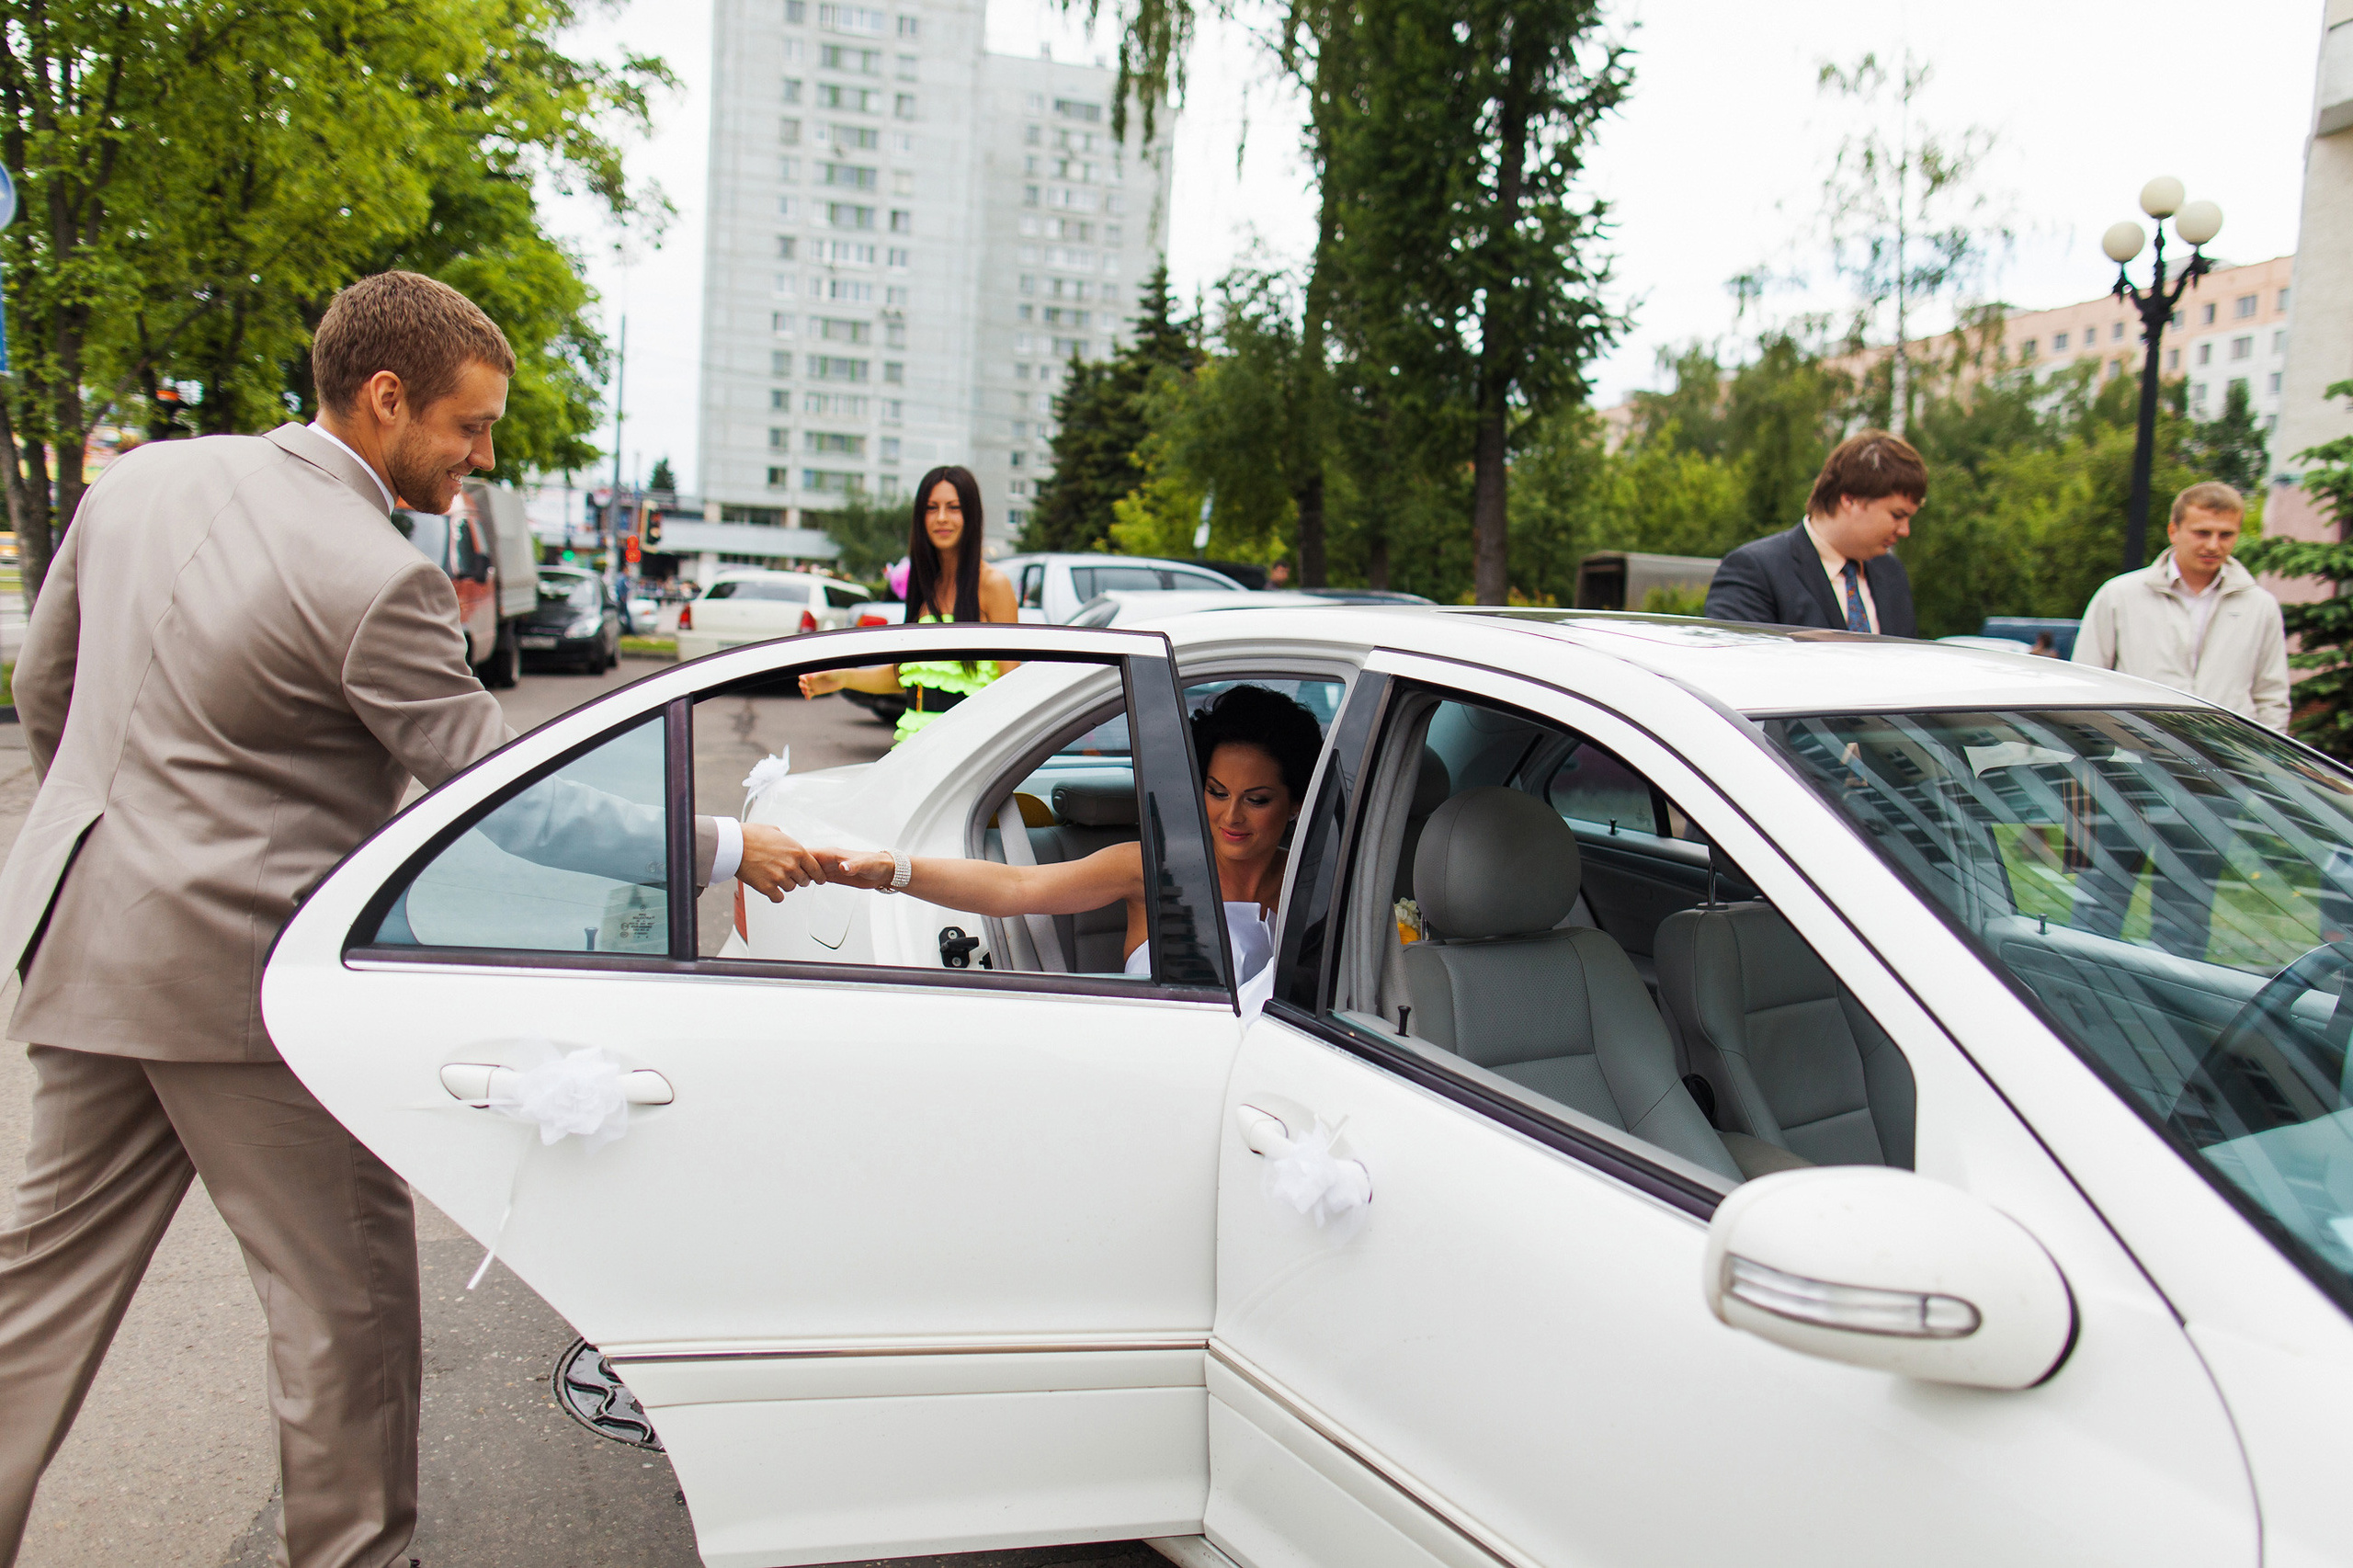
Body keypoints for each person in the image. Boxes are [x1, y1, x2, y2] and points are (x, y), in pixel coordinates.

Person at [0, 271, 821, 1568]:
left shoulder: (139, 484)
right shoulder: (372, 576)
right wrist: (725, 841)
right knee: (346, 1308)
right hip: (242, 995)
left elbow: (50, 694)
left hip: (82, 946)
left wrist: (114, 857)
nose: (481, 457)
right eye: (469, 426)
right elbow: (508, 803)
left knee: (33, 1299)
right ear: (386, 400)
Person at [816, 684, 1324, 988]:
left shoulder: (1318, 881)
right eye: (1216, 792)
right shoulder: (1150, 868)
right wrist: (893, 869)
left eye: (1256, 799)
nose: (1230, 815)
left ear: (1296, 801)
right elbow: (1015, 888)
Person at [799, 467, 1018, 743]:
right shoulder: (924, 585)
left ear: (970, 515)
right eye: (931, 508)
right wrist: (843, 678)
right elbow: (902, 675)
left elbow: (1011, 688)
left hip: (967, 749)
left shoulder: (992, 585)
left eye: (953, 508)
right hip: (914, 745)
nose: (941, 518)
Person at [2073, 481, 2290, 731]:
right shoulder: (2119, 596)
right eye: (2202, 533)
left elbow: (2272, 697)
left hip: (2229, 758)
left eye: (2226, 535)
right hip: (2137, 755)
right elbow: (2086, 684)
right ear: (2173, 531)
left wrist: (2260, 763)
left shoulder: (2259, 605)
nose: (2213, 545)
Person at [1703, 429, 1923, 637]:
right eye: (1897, 515)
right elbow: (1742, 670)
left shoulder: (1892, 573)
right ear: (1850, 499)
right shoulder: (1754, 572)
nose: (1905, 531)